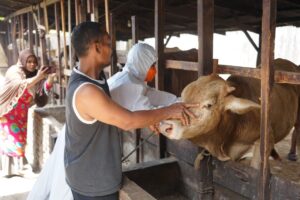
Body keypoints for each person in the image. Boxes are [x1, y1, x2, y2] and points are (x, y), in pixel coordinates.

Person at [28, 21, 196, 200]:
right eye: (109, 43)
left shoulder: (97, 78)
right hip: (92, 181)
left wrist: (173, 104)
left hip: (87, 165)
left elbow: (150, 97)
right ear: (97, 47)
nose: (112, 49)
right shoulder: (87, 91)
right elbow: (128, 120)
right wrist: (168, 112)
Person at [0, 49, 55, 176]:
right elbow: (20, 84)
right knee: (13, 139)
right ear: (23, 61)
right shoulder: (14, 71)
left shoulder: (35, 74)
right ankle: (16, 169)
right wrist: (39, 77)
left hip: (21, 114)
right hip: (8, 112)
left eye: (34, 62)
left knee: (20, 140)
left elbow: (41, 93)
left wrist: (50, 80)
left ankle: (13, 169)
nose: (31, 64)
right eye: (29, 62)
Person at [108, 42, 178, 111]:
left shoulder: (131, 79)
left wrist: (177, 101)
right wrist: (172, 110)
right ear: (142, 64)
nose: (154, 70)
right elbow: (149, 115)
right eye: (152, 65)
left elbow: (151, 95)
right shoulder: (130, 85)